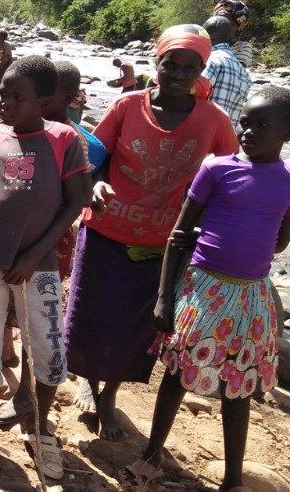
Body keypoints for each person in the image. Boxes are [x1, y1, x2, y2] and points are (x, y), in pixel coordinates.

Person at [63, 24, 239, 442]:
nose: (178, 74)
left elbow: (231, 170)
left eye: (189, 67)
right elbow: (95, 156)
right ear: (156, 62)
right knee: (89, 314)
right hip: (106, 227)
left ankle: (109, 396)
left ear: (201, 70)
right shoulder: (127, 106)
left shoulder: (213, 120)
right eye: (170, 64)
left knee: (135, 327)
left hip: (161, 243)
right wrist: (98, 184)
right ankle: (87, 379)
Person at [116, 86, 290, 490]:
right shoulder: (217, 169)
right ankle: (151, 456)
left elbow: (280, 240)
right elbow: (179, 235)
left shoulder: (286, 182)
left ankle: (233, 479)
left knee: (238, 385)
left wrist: (248, 245)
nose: (248, 131)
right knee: (178, 373)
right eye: (244, 123)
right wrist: (164, 298)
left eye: (261, 125)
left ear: (287, 132)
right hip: (204, 289)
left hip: (250, 294)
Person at [0, 56, 90, 482]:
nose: (6, 103)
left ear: (45, 102)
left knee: (49, 347)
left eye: (18, 97)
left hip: (40, 265)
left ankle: (41, 429)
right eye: (3, 94)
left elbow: (76, 201)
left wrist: (35, 254)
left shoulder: (63, 138)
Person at [0, 60, 103, 428]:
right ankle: (16, 373)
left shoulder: (70, 138)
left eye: (45, 94)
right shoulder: (21, 131)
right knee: (16, 307)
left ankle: (30, 399)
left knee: (40, 321)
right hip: (17, 238)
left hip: (48, 244)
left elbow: (79, 196)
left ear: (61, 98)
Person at [203, 15, 252, 127]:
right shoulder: (244, 74)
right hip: (227, 134)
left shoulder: (211, 59)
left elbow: (195, 92)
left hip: (202, 131)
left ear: (206, 35)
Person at [213, 0, 252, 67]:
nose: (221, 24)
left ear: (237, 27)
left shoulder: (242, 47)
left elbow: (237, 70)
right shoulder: (198, 40)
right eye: (219, 18)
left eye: (229, 23)